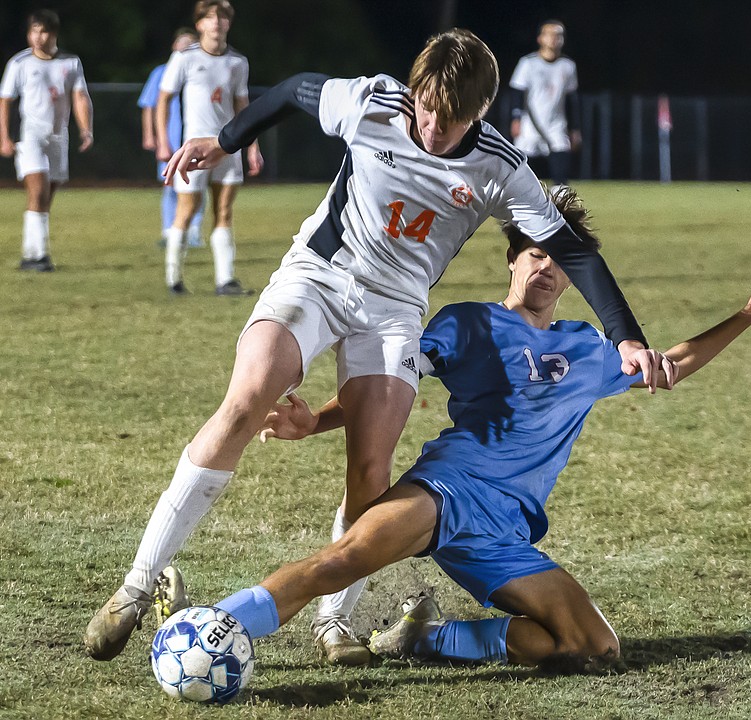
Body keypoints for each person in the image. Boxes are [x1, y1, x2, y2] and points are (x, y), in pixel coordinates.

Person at [84, 28, 665, 667]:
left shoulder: (499, 166)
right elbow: (287, 93)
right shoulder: (373, 104)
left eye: (454, 116)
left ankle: (335, 622)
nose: (434, 125)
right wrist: (222, 142)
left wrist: (626, 335)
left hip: (394, 310)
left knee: (371, 466)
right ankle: (138, 584)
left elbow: (573, 249)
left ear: (481, 114)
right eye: (428, 106)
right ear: (415, 91)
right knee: (248, 399)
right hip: (320, 274)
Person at [208, 186, 751, 674]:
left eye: (559, 260)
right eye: (534, 253)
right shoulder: (468, 323)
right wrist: (317, 423)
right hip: (447, 492)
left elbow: (673, 365)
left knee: (591, 645)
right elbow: (390, 379)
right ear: (513, 258)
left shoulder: (590, 347)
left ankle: (425, 639)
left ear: (573, 277)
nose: (545, 266)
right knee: (343, 560)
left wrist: (748, 312)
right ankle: (223, 624)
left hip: (507, 531)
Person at [156, 0, 262, 295]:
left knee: (224, 211)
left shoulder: (238, 62)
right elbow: (163, 99)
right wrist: (164, 140)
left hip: (228, 147)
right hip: (194, 148)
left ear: (229, 23)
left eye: (222, 17)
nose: (217, 22)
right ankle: (173, 278)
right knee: (187, 209)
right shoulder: (184, 58)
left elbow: (243, 106)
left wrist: (252, 146)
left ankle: (225, 280)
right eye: (210, 17)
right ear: (200, 23)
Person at [0, 9, 92, 272]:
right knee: (38, 190)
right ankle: (40, 256)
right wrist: (4, 137)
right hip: (30, 135)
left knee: (45, 197)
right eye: (33, 31)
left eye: (43, 31)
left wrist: (86, 130)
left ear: (53, 33)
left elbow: (80, 97)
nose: (38, 37)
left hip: (58, 136)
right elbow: (5, 101)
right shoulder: (20, 64)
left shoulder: (70, 62)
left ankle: (30, 254)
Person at [138, 28, 205, 249]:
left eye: (190, 43)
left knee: (196, 186)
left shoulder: (199, 70)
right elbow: (150, 106)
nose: (185, 46)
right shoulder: (161, 72)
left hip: (196, 140)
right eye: (182, 42)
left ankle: (193, 231)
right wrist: (151, 136)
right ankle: (169, 231)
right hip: (170, 138)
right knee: (170, 186)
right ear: (173, 46)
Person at [508, 20, 581, 186]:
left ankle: (560, 206)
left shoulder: (567, 66)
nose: (555, 39)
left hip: (556, 124)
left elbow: (572, 99)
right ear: (540, 38)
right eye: (551, 34)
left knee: (561, 173)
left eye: (559, 35)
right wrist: (516, 118)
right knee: (523, 174)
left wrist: (575, 128)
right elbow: (517, 92)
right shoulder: (528, 63)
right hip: (530, 124)